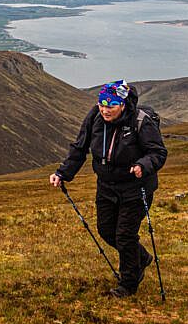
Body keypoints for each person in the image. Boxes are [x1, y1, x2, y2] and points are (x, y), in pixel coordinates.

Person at [49, 80, 167, 297]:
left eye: (110, 105)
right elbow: (80, 147)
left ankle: (128, 283)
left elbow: (158, 153)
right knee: (106, 230)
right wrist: (63, 173)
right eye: (102, 104)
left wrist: (143, 165)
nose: (104, 109)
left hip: (135, 187)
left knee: (124, 235)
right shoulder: (95, 117)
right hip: (106, 187)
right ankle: (141, 258)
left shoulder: (140, 122)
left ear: (122, 105)